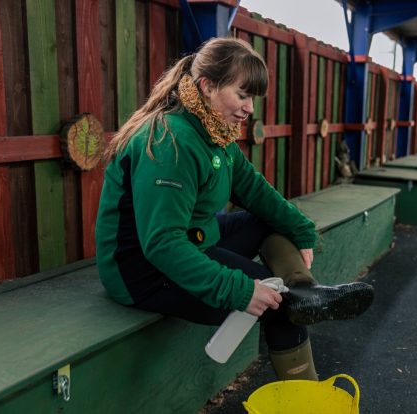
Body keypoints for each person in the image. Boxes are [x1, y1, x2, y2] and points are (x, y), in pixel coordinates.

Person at [95, 37, 373, 381]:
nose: (250, 109)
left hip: (193, 240)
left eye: (252, 98)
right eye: (242, 95)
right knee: (278, 304)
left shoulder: (214, 131)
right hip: (141, 271)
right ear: (207, 86)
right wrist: (240, 290)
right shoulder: (170, 141)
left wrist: (302, 230)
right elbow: (162, 244)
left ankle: (307, 293)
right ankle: (307, 399)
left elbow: (254, 190)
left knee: (274, 227)